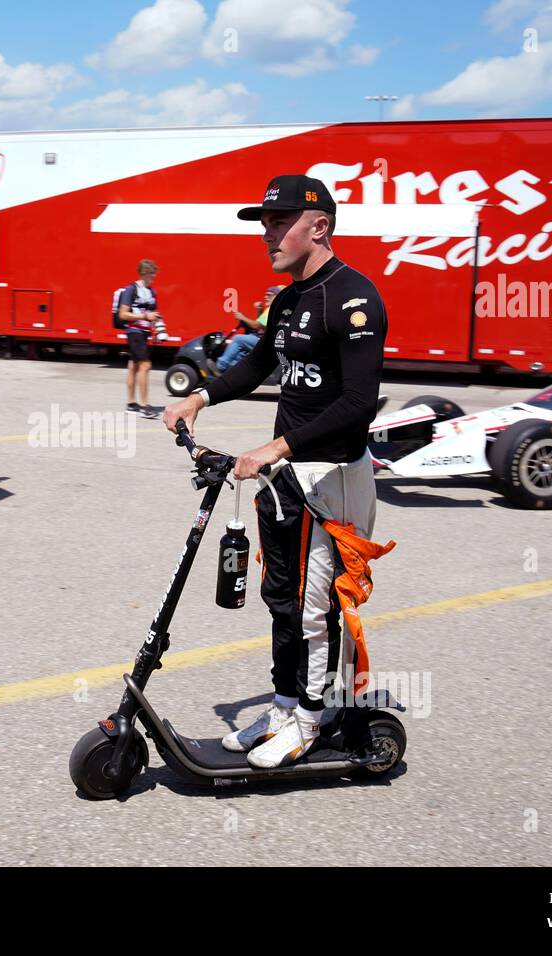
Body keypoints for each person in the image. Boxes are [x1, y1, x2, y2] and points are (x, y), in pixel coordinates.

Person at [162, 175, 388, 769]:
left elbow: (359, 403)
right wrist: (199, 399)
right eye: (263, 223)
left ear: (320, 225)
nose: (267, 235)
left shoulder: (354, 298)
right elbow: (259, 364)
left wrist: (274, 447)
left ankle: (312, 720)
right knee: (280, 598)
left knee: (316, 605)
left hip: (331, 475)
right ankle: (286, 704)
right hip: (288, 474)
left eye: (278, 222)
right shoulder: (287, 300)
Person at [117, 260, 162, 419]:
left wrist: (157, 326)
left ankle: (131, 404)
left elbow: (152, 312)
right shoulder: (131, 290)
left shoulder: (151, 291)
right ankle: (144, 406)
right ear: (143, 273)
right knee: (145, 365)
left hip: (144, 332)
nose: (153, 277)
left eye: (154, 274)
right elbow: (122, 314)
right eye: (151, 274)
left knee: (133, 366)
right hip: (134, 331)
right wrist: (144, 316)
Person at [217, 285, 283, 373]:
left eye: (269, 295)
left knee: (238, 339)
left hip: (263, 340)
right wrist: (259, 310)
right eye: (266, 295)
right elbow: (261, 324)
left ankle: (221, 365)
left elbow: (256, 325)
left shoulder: (273, 309)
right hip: (261, 338)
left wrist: (243, 317)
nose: (266, 297)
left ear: (276, 296)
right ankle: (236, 370)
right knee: (240, 352)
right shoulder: (270, 308)